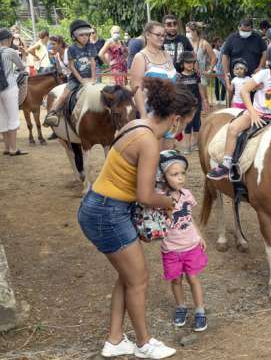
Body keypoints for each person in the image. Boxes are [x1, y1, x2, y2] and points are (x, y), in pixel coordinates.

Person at [78, 77, 196, 359]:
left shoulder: (136, 125)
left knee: (127, 276)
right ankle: (144, 344)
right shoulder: (149, 142)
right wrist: (169, 202)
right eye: (188, 122)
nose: (187, 127)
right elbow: (145, 195)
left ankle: (115, 340)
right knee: (139, 279)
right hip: (108, 212)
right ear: (177, 120)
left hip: (99, 206)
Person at [207, 38, 271, 180]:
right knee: (233, 128)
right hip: (257, 113)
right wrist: (253, 113)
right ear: (269, 64)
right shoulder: (263, 74)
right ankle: (226, 164)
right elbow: (244, 91)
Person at [156, 150, 208, 330]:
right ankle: (181, 307)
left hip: (191, 246)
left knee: (193, 278)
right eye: (174, 174)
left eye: (182, 173)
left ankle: (200, 310)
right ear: (163, 176)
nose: (180, 178)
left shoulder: (186, 194)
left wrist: (199, 235)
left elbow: (190, 217)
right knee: (176, 280)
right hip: (171, 249)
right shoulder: (160, 199)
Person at [43, 20, 97, 127]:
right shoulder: (71, 49)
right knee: (63, 96)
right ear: (74, 36)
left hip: (90, 77)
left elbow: (93, 62)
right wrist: (81, 80)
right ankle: (51, 114)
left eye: (87, 34)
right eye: (81, 35)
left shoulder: (90, 46)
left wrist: (93, 78)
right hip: (75, 78)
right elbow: (71, 66)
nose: (85, 37)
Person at [130, 21, 178, 118]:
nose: (161, 38)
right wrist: (143, 115)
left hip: (172, 112)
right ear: (147, 35)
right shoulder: (141, 57)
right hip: (152, 114)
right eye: (158, 35)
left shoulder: (167, 55)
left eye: (164, 35)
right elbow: (136, 89)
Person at [0, 28, 28, 156]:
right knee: (13, 118)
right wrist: (24, 56)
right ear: (9, 39)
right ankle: (13, 149)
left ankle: (6, 148)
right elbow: (22, 67)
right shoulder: (10, 51)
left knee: (2, 118)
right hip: (9, 87)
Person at [222, 18, 267, 93]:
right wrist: (227, 74)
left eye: (248, 31)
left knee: (252, 101)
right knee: (235, 101)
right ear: (238, 27)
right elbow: (225, 56)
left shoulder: (257, 38)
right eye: (243, 30)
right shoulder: (231, 38)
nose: (245, 32)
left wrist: (260, 67)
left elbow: (265, 52)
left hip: (253, 78)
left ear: (252, 29)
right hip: (236, 78)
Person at [177, 51, 208, 153]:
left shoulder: (196, 76)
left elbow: (200, 88)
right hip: (185, 105)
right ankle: (187, 144)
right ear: (182, 64)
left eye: (192, 62)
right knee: (187, 124)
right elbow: (178, 90)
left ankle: (196, 143)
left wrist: (204, 100)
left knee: (196, 123)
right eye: (187, 62)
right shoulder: (179, 77)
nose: (190, 64)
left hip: (196, 104)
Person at [186, 24, 216, 107]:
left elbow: (214, 57)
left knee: (203, 99)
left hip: (201, 75)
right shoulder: (186, 42)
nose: (187, 33)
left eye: (188, 31)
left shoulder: (204, 43)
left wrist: (210, 70)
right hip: (188, 75)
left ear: (195, 32)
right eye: (186, 32)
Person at [212, 37, 226, 104]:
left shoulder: (221, 50)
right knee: (217, 85)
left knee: (223, 84)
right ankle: (217, 99)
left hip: (222, 70)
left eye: (221, 42)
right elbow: (215, 60)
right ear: (215, 43)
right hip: (216, 70)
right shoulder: (214, 51)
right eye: (219, 42)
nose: (220, 43)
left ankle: (223, 99)